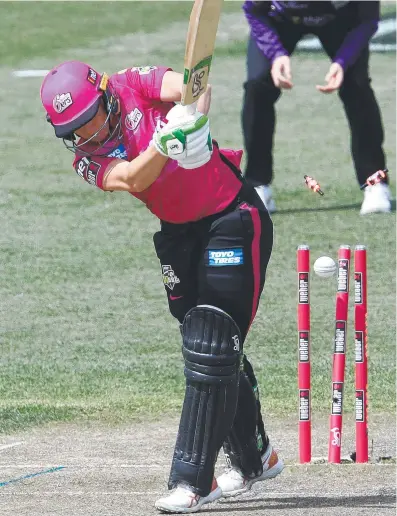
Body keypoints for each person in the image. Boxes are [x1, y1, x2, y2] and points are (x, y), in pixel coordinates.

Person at [40, 60, 284, 514]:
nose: (85, 134)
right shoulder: (87, 161)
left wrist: (193, 118)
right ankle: (256, 458)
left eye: (87, 118)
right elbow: (133, 177)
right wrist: (166, 144)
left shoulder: (134, 83)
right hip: (178, 237)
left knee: (212, 342)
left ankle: (193, 481)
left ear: (105, 95)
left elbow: (194, 86)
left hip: (232, 217)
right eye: (72, 130)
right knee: (211, 348)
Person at [242, 0, 392, 215]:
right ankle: (257, 184)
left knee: (357, 86)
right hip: (281, 18)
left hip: (341, 17)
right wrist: (275, 53)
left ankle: (375, 183)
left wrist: (343, 61)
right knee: (258, 86)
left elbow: (368, 19)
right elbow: (253, 10)